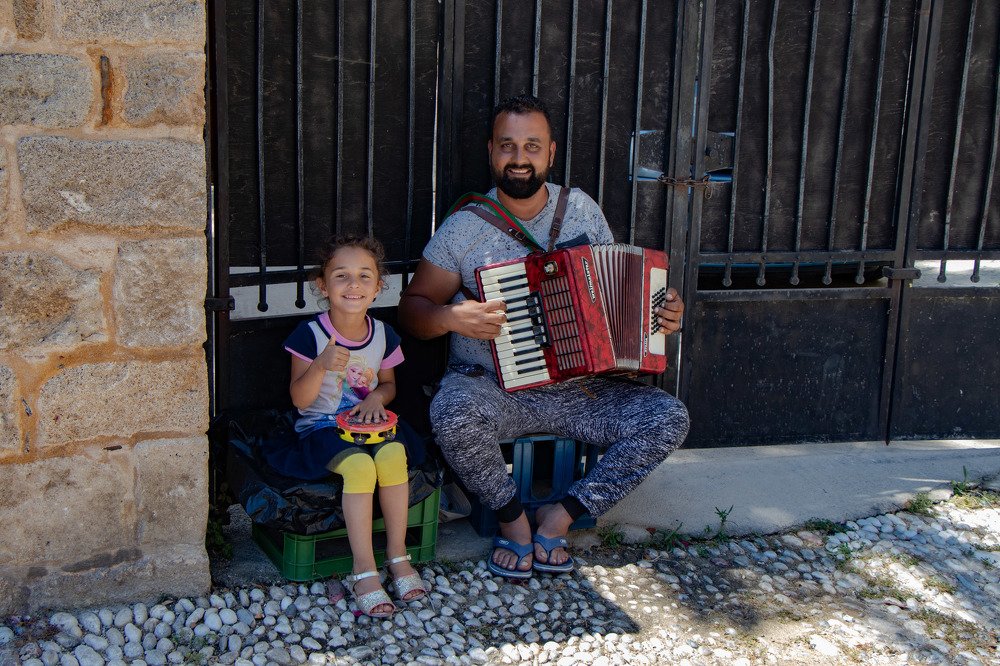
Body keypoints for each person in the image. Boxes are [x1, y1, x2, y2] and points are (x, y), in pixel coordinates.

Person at [399, 95, 690, 579]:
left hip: (581, 389)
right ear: (491, 151)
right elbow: (413, 310)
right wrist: (451, 317)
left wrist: (659, 316)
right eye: (508, 145)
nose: (519, 157)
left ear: (550, 153)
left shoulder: (581, 210)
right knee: (450, 413)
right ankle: (513, 523)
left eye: (532, 146)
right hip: (492, 387)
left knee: (667, 417)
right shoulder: (463, 227)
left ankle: (559, 517)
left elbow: (615, 290)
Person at [282, 235, 425, 617]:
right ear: (322, 285)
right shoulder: (310, 335)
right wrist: (321, 363)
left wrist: (376, 397)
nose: (353, 284)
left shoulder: (383, 334)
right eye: (341, 276)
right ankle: (363, 568)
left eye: (364, 276)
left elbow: (389, 385)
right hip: (321, 429)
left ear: (378, 287)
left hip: (368, 423)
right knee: (360, 467)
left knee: (394, 454)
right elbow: (300, 399)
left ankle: (397, 556)